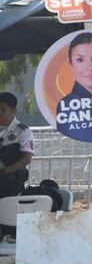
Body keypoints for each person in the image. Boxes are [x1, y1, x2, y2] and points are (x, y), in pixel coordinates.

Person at [0, 91, 34, 237]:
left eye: (2, 110)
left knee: (9, 222)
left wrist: (5, 172)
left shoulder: (23, 132)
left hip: (10, 182)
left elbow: (26, 159)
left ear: (13, 111)